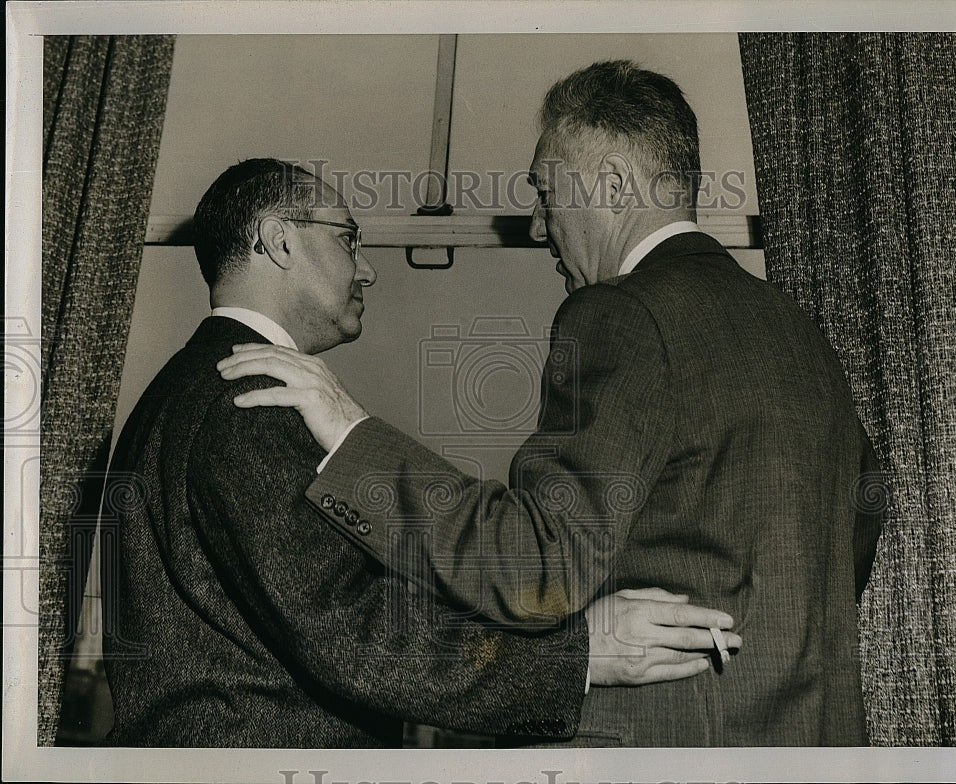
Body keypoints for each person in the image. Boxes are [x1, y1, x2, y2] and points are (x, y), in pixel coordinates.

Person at [220, 61, 884, 747]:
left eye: (546, 194)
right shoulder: (797, 330)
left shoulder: (620, 316)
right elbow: (861, 515)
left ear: (615, 186)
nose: (539, 227)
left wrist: (350, 432)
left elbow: (540, 569)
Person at [101, 156, 740, 748]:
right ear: (278, 239)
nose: (368, 268)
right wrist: (580, 653)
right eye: (348, 238)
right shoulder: (248, 400)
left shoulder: (193, 387)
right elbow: (347, 631)